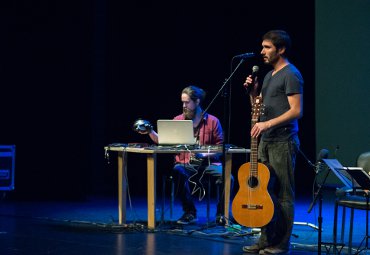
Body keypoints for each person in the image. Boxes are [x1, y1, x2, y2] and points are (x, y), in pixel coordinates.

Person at [242, 30, 303, 255]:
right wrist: (253, 93)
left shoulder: (291, 74)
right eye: (262, 47)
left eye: (267, 47)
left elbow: (297, 111)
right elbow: (258, 110)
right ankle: (265, 239)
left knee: (285, 195)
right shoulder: (269, 76)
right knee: (264, 193)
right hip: (265, 142)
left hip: (283, 142)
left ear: (281, 49)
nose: (262, 52)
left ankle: (282, 244)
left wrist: (268, 125)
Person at [144, 85, 227, 225]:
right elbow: (164, 141)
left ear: (197, 102)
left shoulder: (213, 121)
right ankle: (189, 212)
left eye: (187, 102)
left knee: (227, 176)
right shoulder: (178, 120)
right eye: (182, 102)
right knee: (178, 170)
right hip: (186, 164)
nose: (184, 105)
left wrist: (204, 154)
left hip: (208, 164)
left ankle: (221, 213)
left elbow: (220, 148)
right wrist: (150, 131)